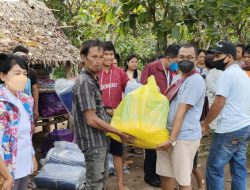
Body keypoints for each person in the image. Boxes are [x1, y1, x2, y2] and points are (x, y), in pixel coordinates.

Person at [72, 40, 133, 190]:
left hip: (100, 140)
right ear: (83, 57)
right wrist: (118, 132)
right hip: (93, 142)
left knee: (101, 181)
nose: (98, 61)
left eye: (101, 57)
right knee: (95, 184)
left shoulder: (93, 79)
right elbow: (91, 119)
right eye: (94, 57)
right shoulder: (84, 82)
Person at [201, 41, 250, 190]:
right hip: (244, 127)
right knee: (239, 168)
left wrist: (205, 123)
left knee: (214, 169)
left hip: (229, 130)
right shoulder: (242, 75)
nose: (214, 59)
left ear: (229, 56)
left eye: (217, 56)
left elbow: (218, 103)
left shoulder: (227, 75)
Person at [157, 44, 206, 190]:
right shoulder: (177, 77)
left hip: (183, 138)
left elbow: (182, 110)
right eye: (182, 57)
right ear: (177, 58)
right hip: (168, 133)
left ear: (196, 60)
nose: (185, 60)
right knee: (165, 175)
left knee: (183, 180)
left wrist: (171, 140)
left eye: (189, 57)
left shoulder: (195, 81)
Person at [140, 44, 180, 188]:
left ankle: (159, 174)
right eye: (177, 59)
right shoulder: (151, 68)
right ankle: (149, 176)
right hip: (152, 112)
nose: (178, 63)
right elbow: (142, 88)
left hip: (166, 112)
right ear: (169, 58)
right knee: (151, 145)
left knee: (161, 143)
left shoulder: (173, 71)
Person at [0, 53, 38, 190]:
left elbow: (27, 134)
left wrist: (32, 155)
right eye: (17, 73)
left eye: (24, 73)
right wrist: (7, 176)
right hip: (6, 169)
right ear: (3, 76)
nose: (22, 77)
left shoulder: (26, 100)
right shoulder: (1, 104)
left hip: (23, 164)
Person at [98, 41, 129, 190]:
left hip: (117, 120)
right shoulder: (94, 73)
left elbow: (130, 92)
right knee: (101, 152)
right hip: (98, 120)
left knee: (118, 152)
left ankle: (120, 184)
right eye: (106, 54)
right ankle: (101, 184)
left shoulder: (120, 73)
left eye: (111, 54)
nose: (109, 57)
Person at [13, 46, 39, 120]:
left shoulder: (32, 72)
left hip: (28, 107)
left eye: (26, 59)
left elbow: (35, 90)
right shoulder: (8, 73)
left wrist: (36, 108)